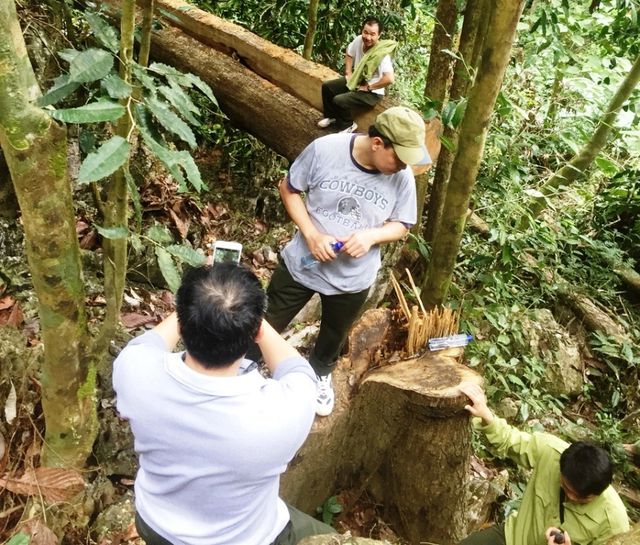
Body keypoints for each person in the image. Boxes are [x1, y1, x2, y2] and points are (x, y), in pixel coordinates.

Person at [112, 263, 336, 545]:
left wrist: (200, 303)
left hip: (156, 525)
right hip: (246, 538)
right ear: (254, 332)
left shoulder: (134, 371)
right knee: (332, 538)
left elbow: (150, 342)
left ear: (182, 321)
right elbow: (297, 371)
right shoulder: (282, 410)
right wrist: (252, 319)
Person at [257, 106, 430, 417]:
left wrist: (371, 236)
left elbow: (402, 224)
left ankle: (320, 375)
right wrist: (310, 234)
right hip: (302, 264)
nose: (403, 166)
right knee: (265, 324)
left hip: (353, 279)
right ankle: (244, 367)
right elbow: (289, 188)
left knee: (334, 336)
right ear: (378, 143)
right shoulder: (325, 150)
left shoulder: (400, 176)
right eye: (399, 157)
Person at [458, 382, 629, 545]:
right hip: (513, 538)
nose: (571, 497)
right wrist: (485, 414)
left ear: (599, 492)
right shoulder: (550, 452)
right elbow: (511, 441)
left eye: (582, 498)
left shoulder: (614, 522)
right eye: (567, 488)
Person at [317, 16, 396, 133]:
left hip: (372, 93)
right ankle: (332, 117)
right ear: (362, 31)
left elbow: (389, 79)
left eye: (372, 34)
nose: (368, 37)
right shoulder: (359, 40)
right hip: (357, 81)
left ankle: (348, 125)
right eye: (365, 32)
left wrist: (369, 87)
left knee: (339, 100)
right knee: (327, 87)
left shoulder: (381, 54)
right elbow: (349, 53)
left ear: (379, 35)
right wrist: (348, 73)